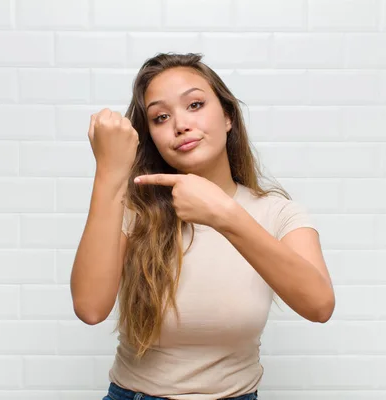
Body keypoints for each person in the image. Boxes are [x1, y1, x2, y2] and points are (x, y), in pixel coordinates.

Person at [70, 52, 335, 400]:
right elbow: (90, 308)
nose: (180, 124)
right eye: (161, 117)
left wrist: (225, 215)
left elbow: (319, 306)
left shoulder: (279, 213)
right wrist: (109, 171)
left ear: (227, 116)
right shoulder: (135, 211)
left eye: (194, 104)